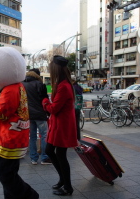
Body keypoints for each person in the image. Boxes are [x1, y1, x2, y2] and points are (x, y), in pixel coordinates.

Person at [0, 47, 39, 199]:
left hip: (9, 139)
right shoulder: (18, 86)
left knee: (5, 174)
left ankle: (29, 195)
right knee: (10, 173)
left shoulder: (9, 90)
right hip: (16, 136)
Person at [42, 55, 78, 196]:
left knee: (60, 155)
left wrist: (44, 100)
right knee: (50, 151)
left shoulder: (63, 86)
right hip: (59, 125)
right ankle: (63, 180)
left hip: (62, 126)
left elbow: (53, 109)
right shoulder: (63, 84)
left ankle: (68, 187)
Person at [22, 68, 51, 165]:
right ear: (37, 75)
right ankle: (44, 157)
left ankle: (33, 159)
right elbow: (45, 99)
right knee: (44, 135)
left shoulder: (22, 84)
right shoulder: (39, 84)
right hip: (40, 114)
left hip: (28, 114)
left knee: (32, 137)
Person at [71, 75, 83, 140]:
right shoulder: (79, 87)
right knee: (77, 124)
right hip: (78, 107)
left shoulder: (72, 87)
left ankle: (73, 139)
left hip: (73, 107)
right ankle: (78, 138)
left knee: (72, 124)